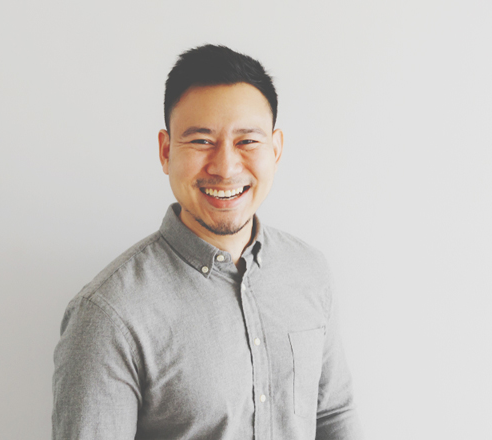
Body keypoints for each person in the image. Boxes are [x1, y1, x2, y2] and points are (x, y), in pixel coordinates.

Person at [52, 44, 362, 440]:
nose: (225, 167)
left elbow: (333, 413)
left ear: (275, 149)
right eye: (201, 141)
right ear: (166, 151)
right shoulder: (109, 315)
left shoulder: (309, 271)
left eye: (247, 141)